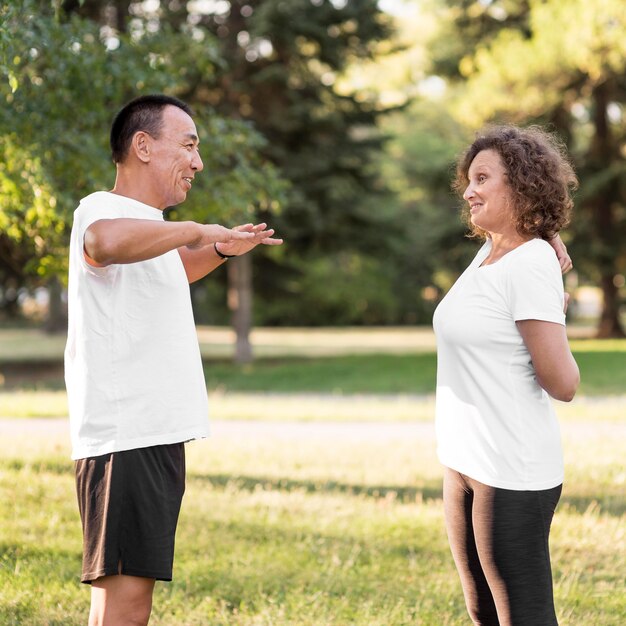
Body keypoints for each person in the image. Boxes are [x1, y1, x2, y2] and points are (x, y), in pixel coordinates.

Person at [64, 94, 283, 626]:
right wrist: (195, 230)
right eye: (188, 145)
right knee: (126, 603)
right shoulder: (103, 207)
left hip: (151, 435)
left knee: (123, 599)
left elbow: (172, 273)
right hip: (126, 437)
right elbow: (102, 241)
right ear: (142, 145)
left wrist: (221, 249)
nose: (197, 162)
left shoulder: (149, 228)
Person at [433, 125, 580, 626]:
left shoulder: (531, 262)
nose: (468, 191)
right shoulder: (492, 252)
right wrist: (548, 232)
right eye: (468, 180)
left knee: (525, 618)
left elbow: (564, 384)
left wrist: (554, 323)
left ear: (518, 183)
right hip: (464, 462)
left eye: (482, 178)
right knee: (484, 615)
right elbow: (524, 238)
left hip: (511, 473)